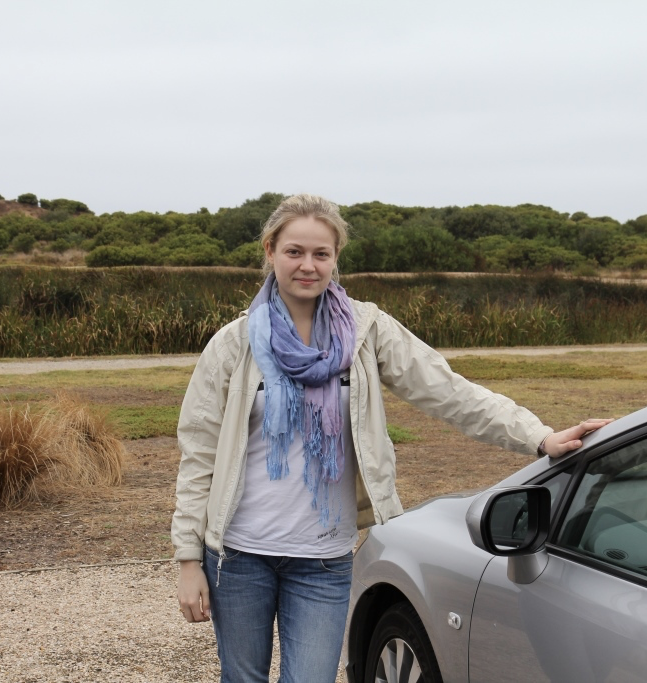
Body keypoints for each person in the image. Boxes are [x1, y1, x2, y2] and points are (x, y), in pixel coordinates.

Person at [172, 193, 611, 682]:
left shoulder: (366, 330)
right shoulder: (233, 344)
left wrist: (540, 437)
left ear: (336, 258)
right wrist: (189, 558)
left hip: (323, 557)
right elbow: (199, 455)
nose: (308, 265)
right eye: (294, 251)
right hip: (238, 555)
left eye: (321, 254)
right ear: (270, 250)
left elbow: (450, 393)